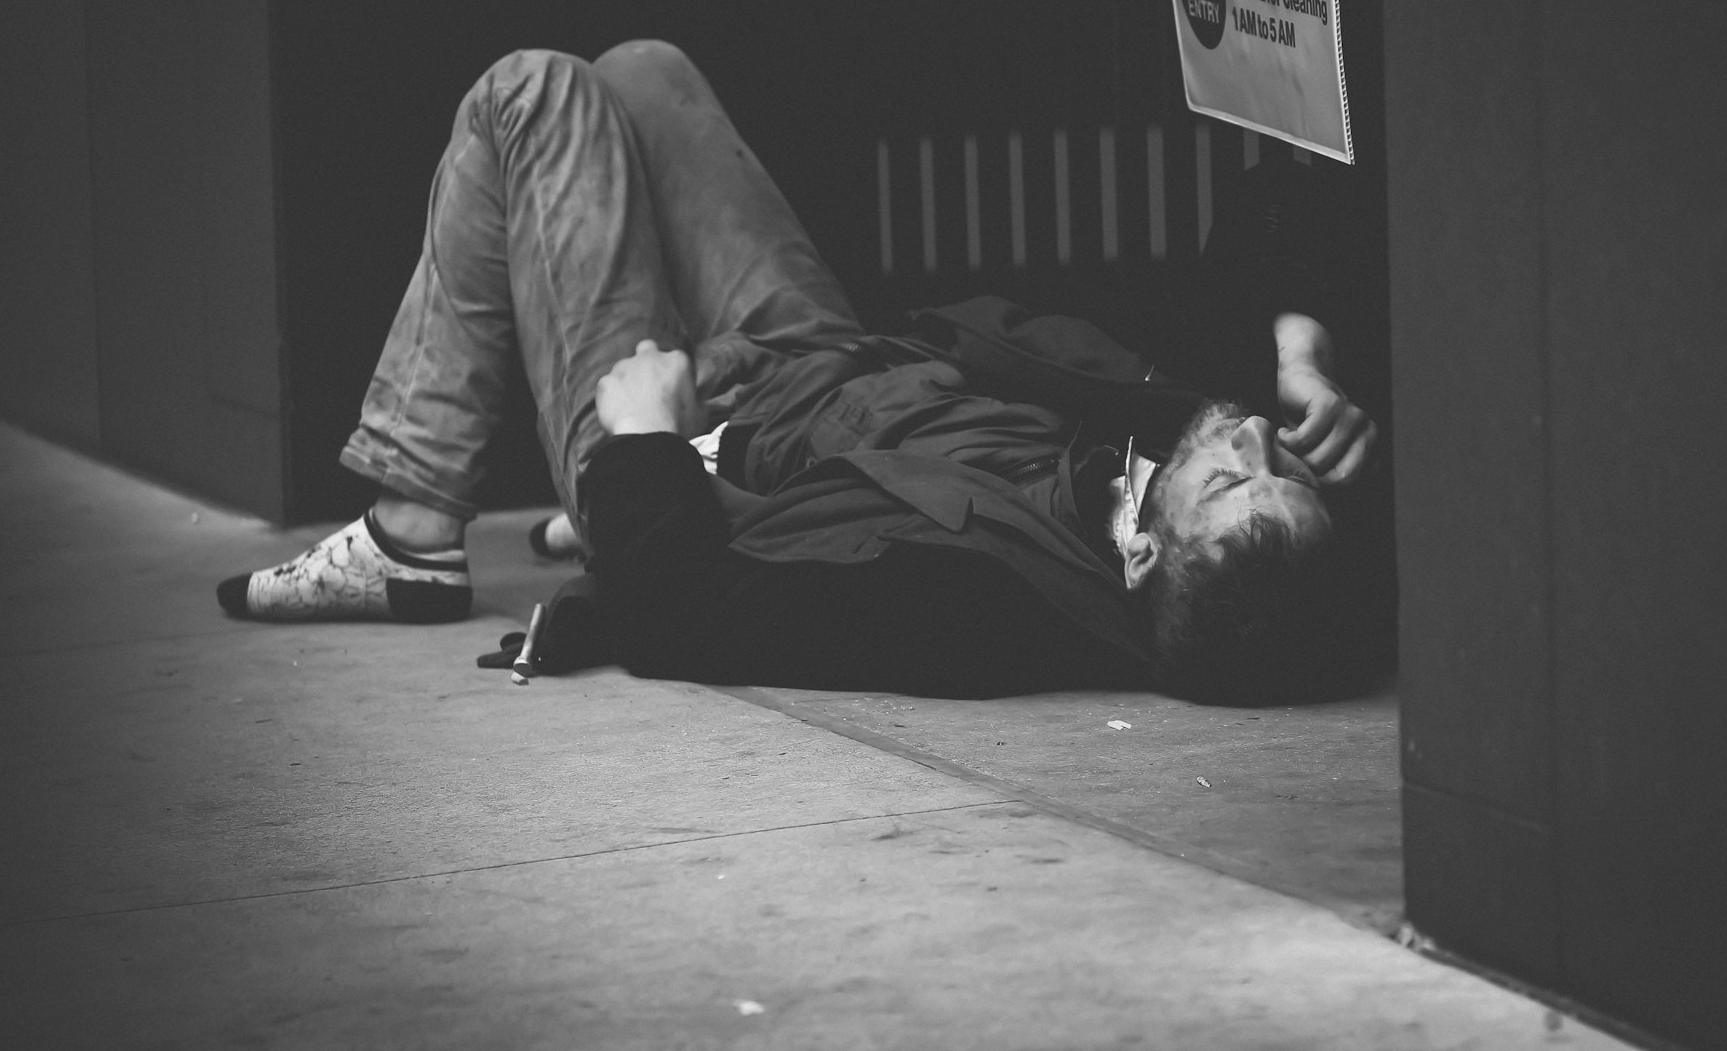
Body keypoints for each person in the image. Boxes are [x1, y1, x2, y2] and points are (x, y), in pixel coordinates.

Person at [218, 41, 1382, 701]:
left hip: (680, 438)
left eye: (1233, 479)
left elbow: (685, 616)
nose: (1252, 442)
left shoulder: (975, 614)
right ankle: (415, 521)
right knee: (645, 74)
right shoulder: (1174, 468)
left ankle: (413, 523)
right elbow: (1270, 220)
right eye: (1279, 467)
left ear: (1143, 556)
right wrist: (1302, 356)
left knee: (531, 93)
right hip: (825, 356)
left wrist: (647, 445)